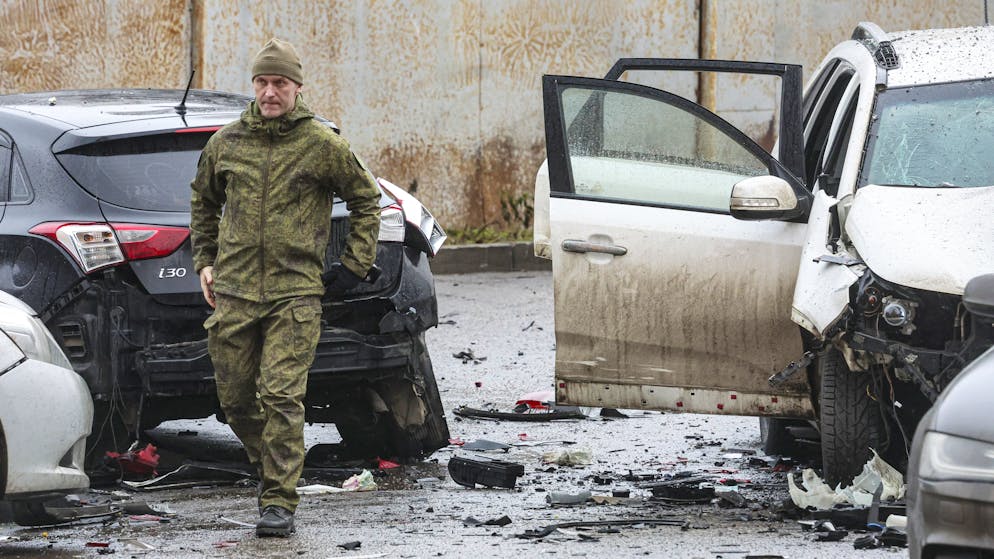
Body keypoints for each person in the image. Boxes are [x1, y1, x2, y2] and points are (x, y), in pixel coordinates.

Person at [190, 38, 381, 537]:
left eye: (279, 83)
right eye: (262, 83)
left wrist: (353, 266)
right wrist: (205, 261)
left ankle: (278, 500)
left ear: (297, 87)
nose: (270, 92)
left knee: (280, 396)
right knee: (234, 399)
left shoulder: (321, 144)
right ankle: (275, 466)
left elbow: (367, 200)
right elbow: (202, 202)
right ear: (253, 86)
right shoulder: (227, 143)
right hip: (232, 291)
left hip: (294, 293)